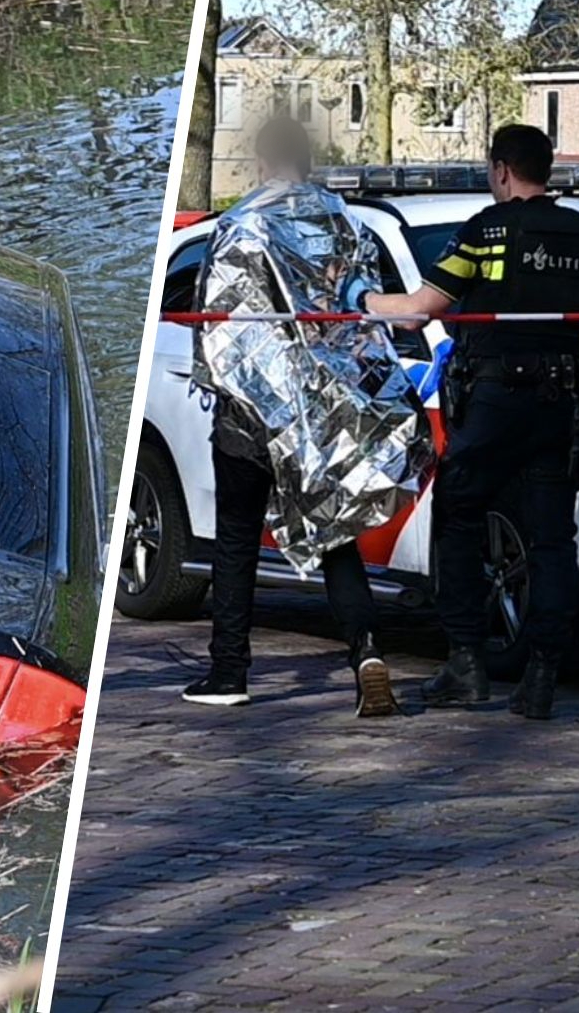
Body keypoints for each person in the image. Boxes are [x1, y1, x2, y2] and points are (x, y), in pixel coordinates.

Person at [366, 124, 579, 720]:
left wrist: (363, 301)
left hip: (494, 400)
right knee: (553, 539)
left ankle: (466, 662)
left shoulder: (487, 229)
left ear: (502, 170)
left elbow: (420, 310)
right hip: (561, 405)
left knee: (457, 514)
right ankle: (541, 677)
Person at [183, 116, 403, 717]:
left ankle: (229, 671)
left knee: (235, 541)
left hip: (252, 410)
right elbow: (363, 317)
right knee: (335, 534)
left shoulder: (241, 224)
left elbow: (217, 326)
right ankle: (366, 652)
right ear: (308, 161)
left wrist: (219, 387)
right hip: (322, 407)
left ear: (261, 161)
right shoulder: (344, 222)